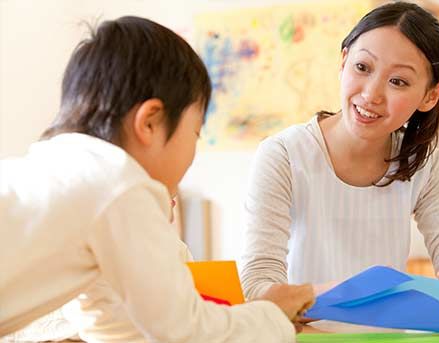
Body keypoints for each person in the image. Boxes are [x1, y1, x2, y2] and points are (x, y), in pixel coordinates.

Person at [0, 16, 314, 342]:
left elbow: (113, 324)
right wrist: (271, 313)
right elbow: (184, 331)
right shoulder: (117, 184)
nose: (192, 152)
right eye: (195, 133)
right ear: (149, 122)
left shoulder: (69, 174)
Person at [240, 1, 439, 317]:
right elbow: (258, 285)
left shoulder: (424, 163)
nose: (371, 94)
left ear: (431, 95)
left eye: (398, 81)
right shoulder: (283, 156)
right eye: (363, 67)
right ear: (344, 60)